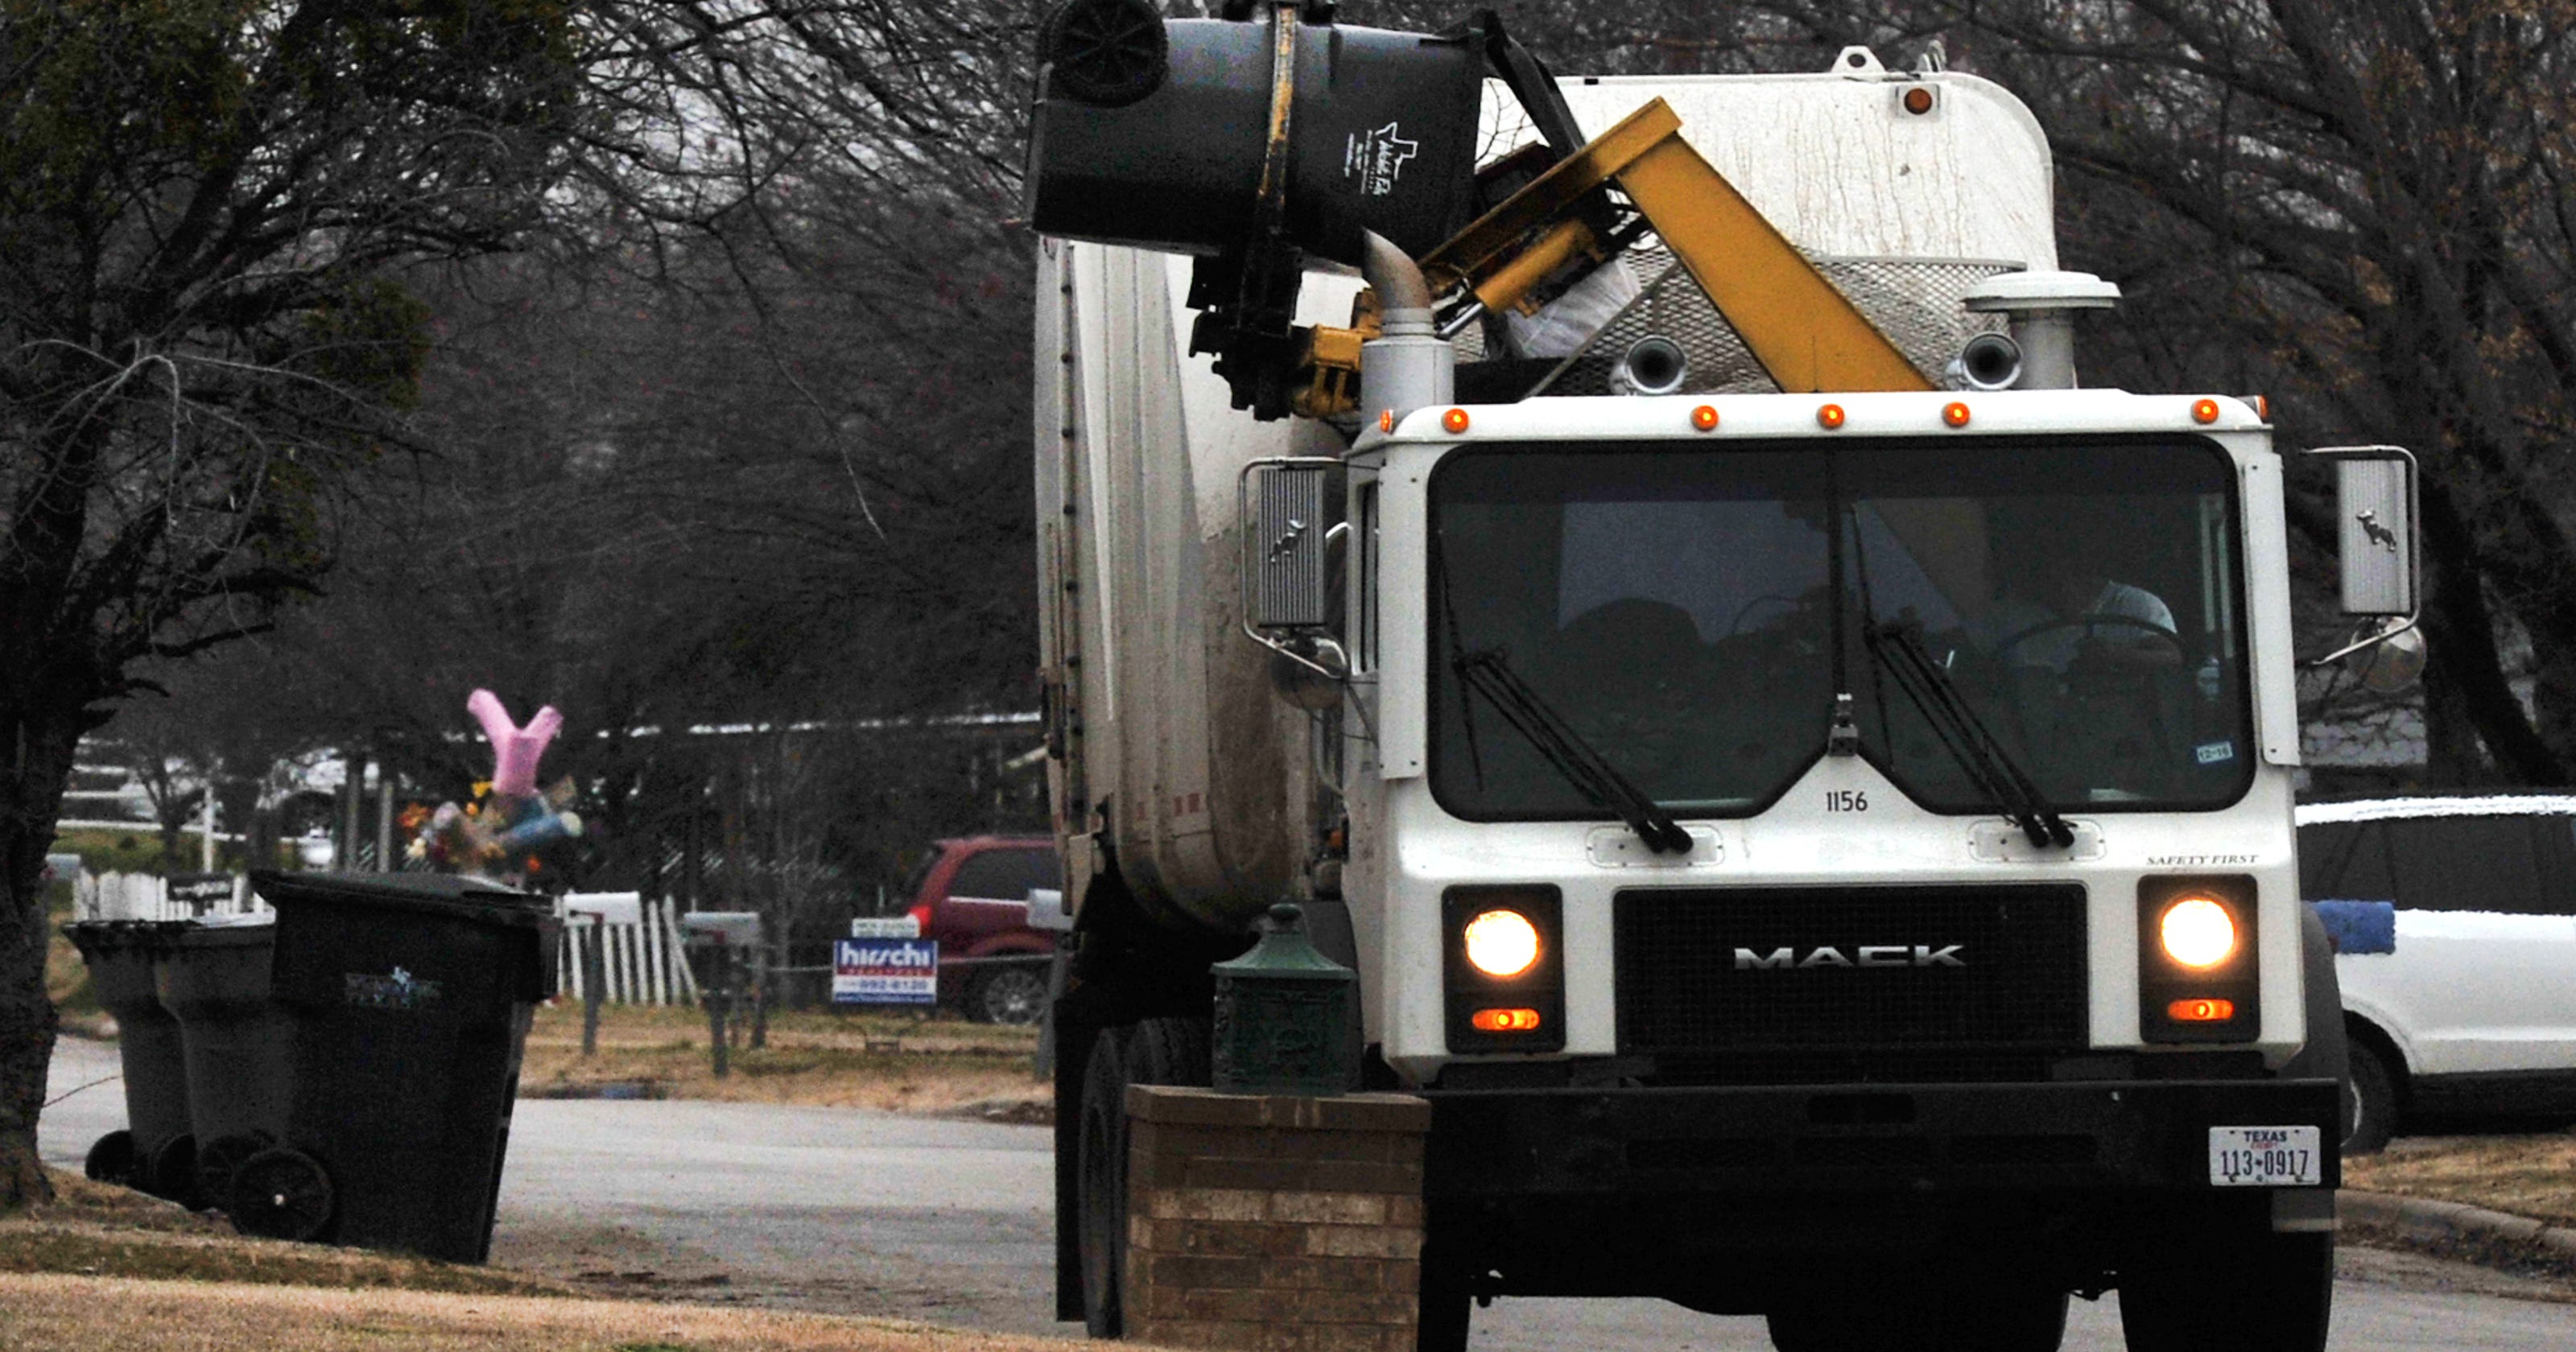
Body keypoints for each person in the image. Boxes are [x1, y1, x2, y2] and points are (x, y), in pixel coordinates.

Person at [1980, 568, 2181, 672]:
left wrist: (2115, 656)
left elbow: (2173, 658)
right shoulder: (2007, 614)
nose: (2051, 589)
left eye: (2059, 580)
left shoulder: (2136, 604)